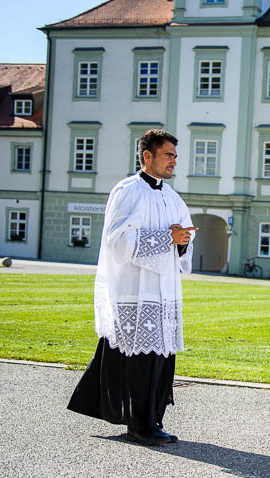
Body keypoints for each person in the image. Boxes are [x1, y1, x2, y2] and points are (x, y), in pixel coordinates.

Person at [67, 129, 197, 446]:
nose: (173, 161)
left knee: (160, 361)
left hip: (164, 291)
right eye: (168, 155)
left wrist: (182, 242)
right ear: (146, 156)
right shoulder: (127, 191)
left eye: (175, 156)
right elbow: (116, 240)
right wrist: (166, 238)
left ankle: (153, 420)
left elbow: (183, 245)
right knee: (138, 363)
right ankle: (139, 425)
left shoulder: (173, 197)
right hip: (135, 291)